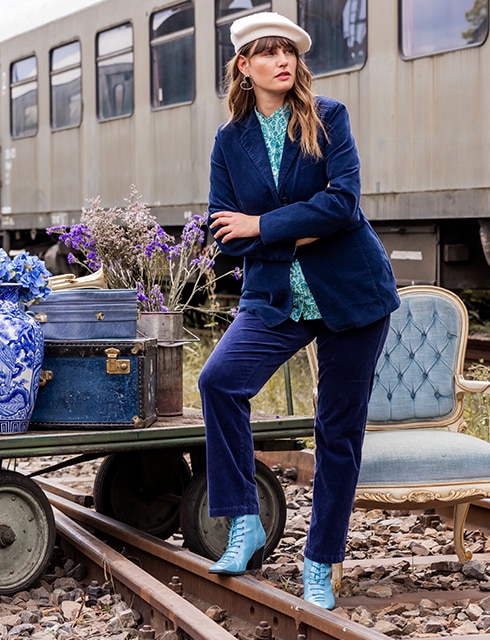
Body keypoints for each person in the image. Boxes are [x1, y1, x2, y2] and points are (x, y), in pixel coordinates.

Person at [198, 11, 400, 609]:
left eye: (288, 51)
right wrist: (294, 230)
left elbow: (342, 205)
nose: (282, 61)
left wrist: (261, 224)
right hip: (275, 296)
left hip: (352, 294)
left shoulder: (326, 118)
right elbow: (222, 235)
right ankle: (242, 522)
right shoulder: (229, 141)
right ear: (244, 66)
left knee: (337, 431)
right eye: (267, 52)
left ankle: (320, 559)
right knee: (219, 382)